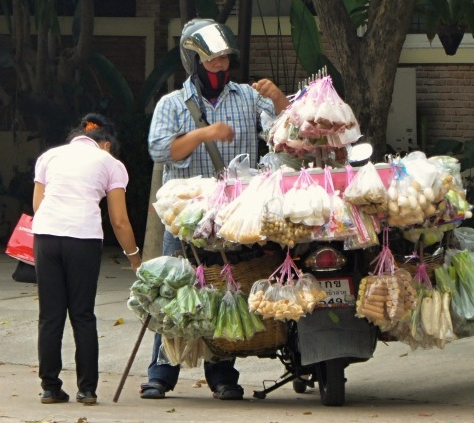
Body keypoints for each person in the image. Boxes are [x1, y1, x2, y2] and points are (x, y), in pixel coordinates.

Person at [143, 18, 290, 401]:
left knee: (227, 290)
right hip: (185, 221)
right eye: (212, 62)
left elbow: (285, 134)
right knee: (174, 293)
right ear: (193, 61)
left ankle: (223, 372)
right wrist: (205, 133)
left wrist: (278, 99)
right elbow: (160, 150)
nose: (221, 67)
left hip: (234, 218)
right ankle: (161, 372)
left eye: (225, 60)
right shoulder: (172, 104)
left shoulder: (246, 96)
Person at [32, 113, 143, 405]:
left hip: (45, 236)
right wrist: (134, 257)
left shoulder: (50, 157)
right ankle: (87, 389)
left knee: (50, 315)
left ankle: (50, 387)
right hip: (83, 239)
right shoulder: (110, 163)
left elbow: (37, 205)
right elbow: (119, 220)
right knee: (82, 314)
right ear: (106, 144)